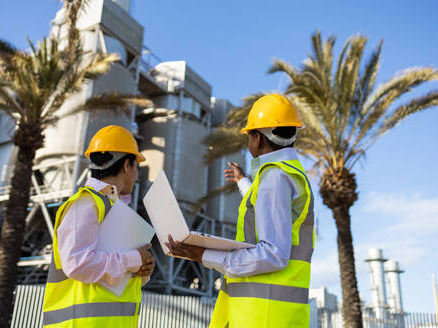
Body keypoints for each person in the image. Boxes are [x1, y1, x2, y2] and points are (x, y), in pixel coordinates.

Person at [166, 94, 315, 327]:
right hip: (271, 312)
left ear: (257, 137)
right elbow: (270, 211)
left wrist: (201, 255)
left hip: (263, 315)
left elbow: (273, 254)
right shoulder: (287, 173)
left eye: (248, 135)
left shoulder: (274, 176)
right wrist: (243, 181)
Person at [42, 125, 155, 327]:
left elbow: (113, 271)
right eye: (136, 167)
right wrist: (134, 258)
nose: (137, 175)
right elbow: (77, 263)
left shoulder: (113, 208)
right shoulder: (86, 203)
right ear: (126, 166)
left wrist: (141, 270)